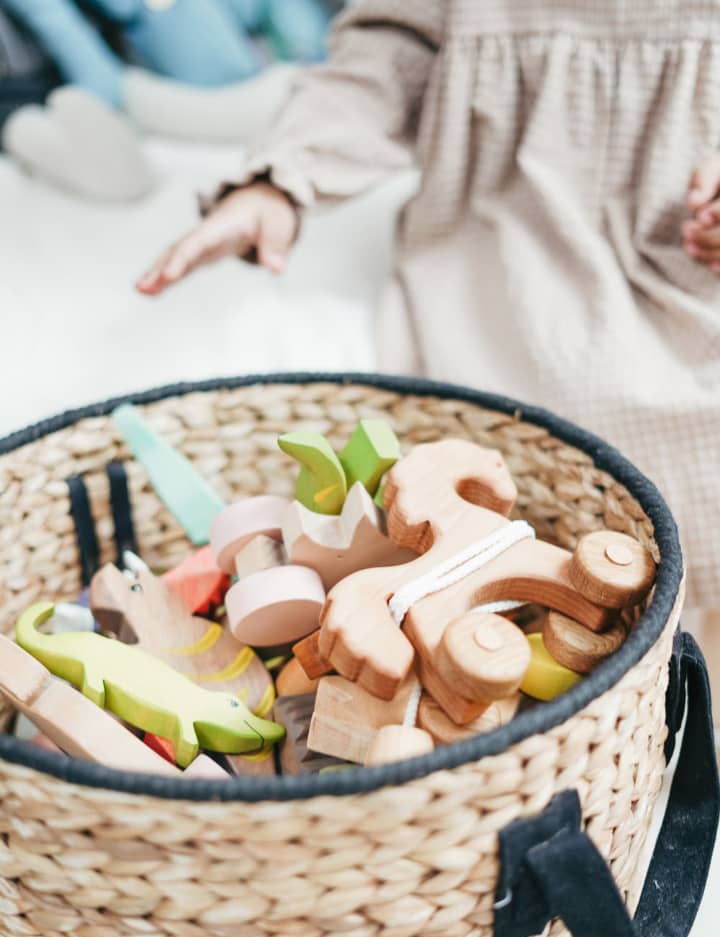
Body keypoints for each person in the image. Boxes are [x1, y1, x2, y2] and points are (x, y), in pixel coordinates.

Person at [136, 1, 720, 674]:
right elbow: (381, 60)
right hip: (510, 235)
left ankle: (666, 667)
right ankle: (554, 653)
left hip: (686, 251)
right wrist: (280, 181)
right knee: (535, 412)